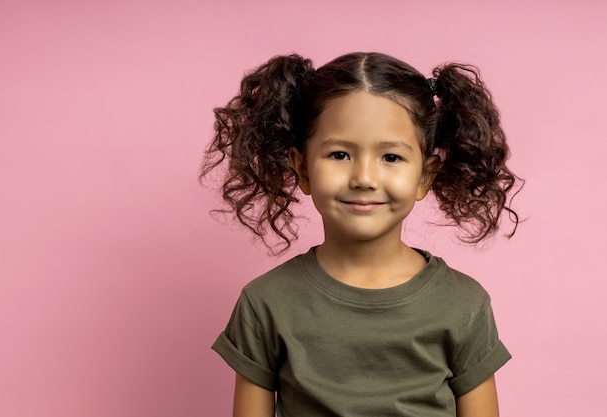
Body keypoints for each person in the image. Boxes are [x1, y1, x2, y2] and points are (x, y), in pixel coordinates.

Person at [202, 52, 521, 417]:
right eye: (339, 154)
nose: (364, 178)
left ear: (425, 175)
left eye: (391, 157)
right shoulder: (265, 303)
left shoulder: (464, 304)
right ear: (302, 169)